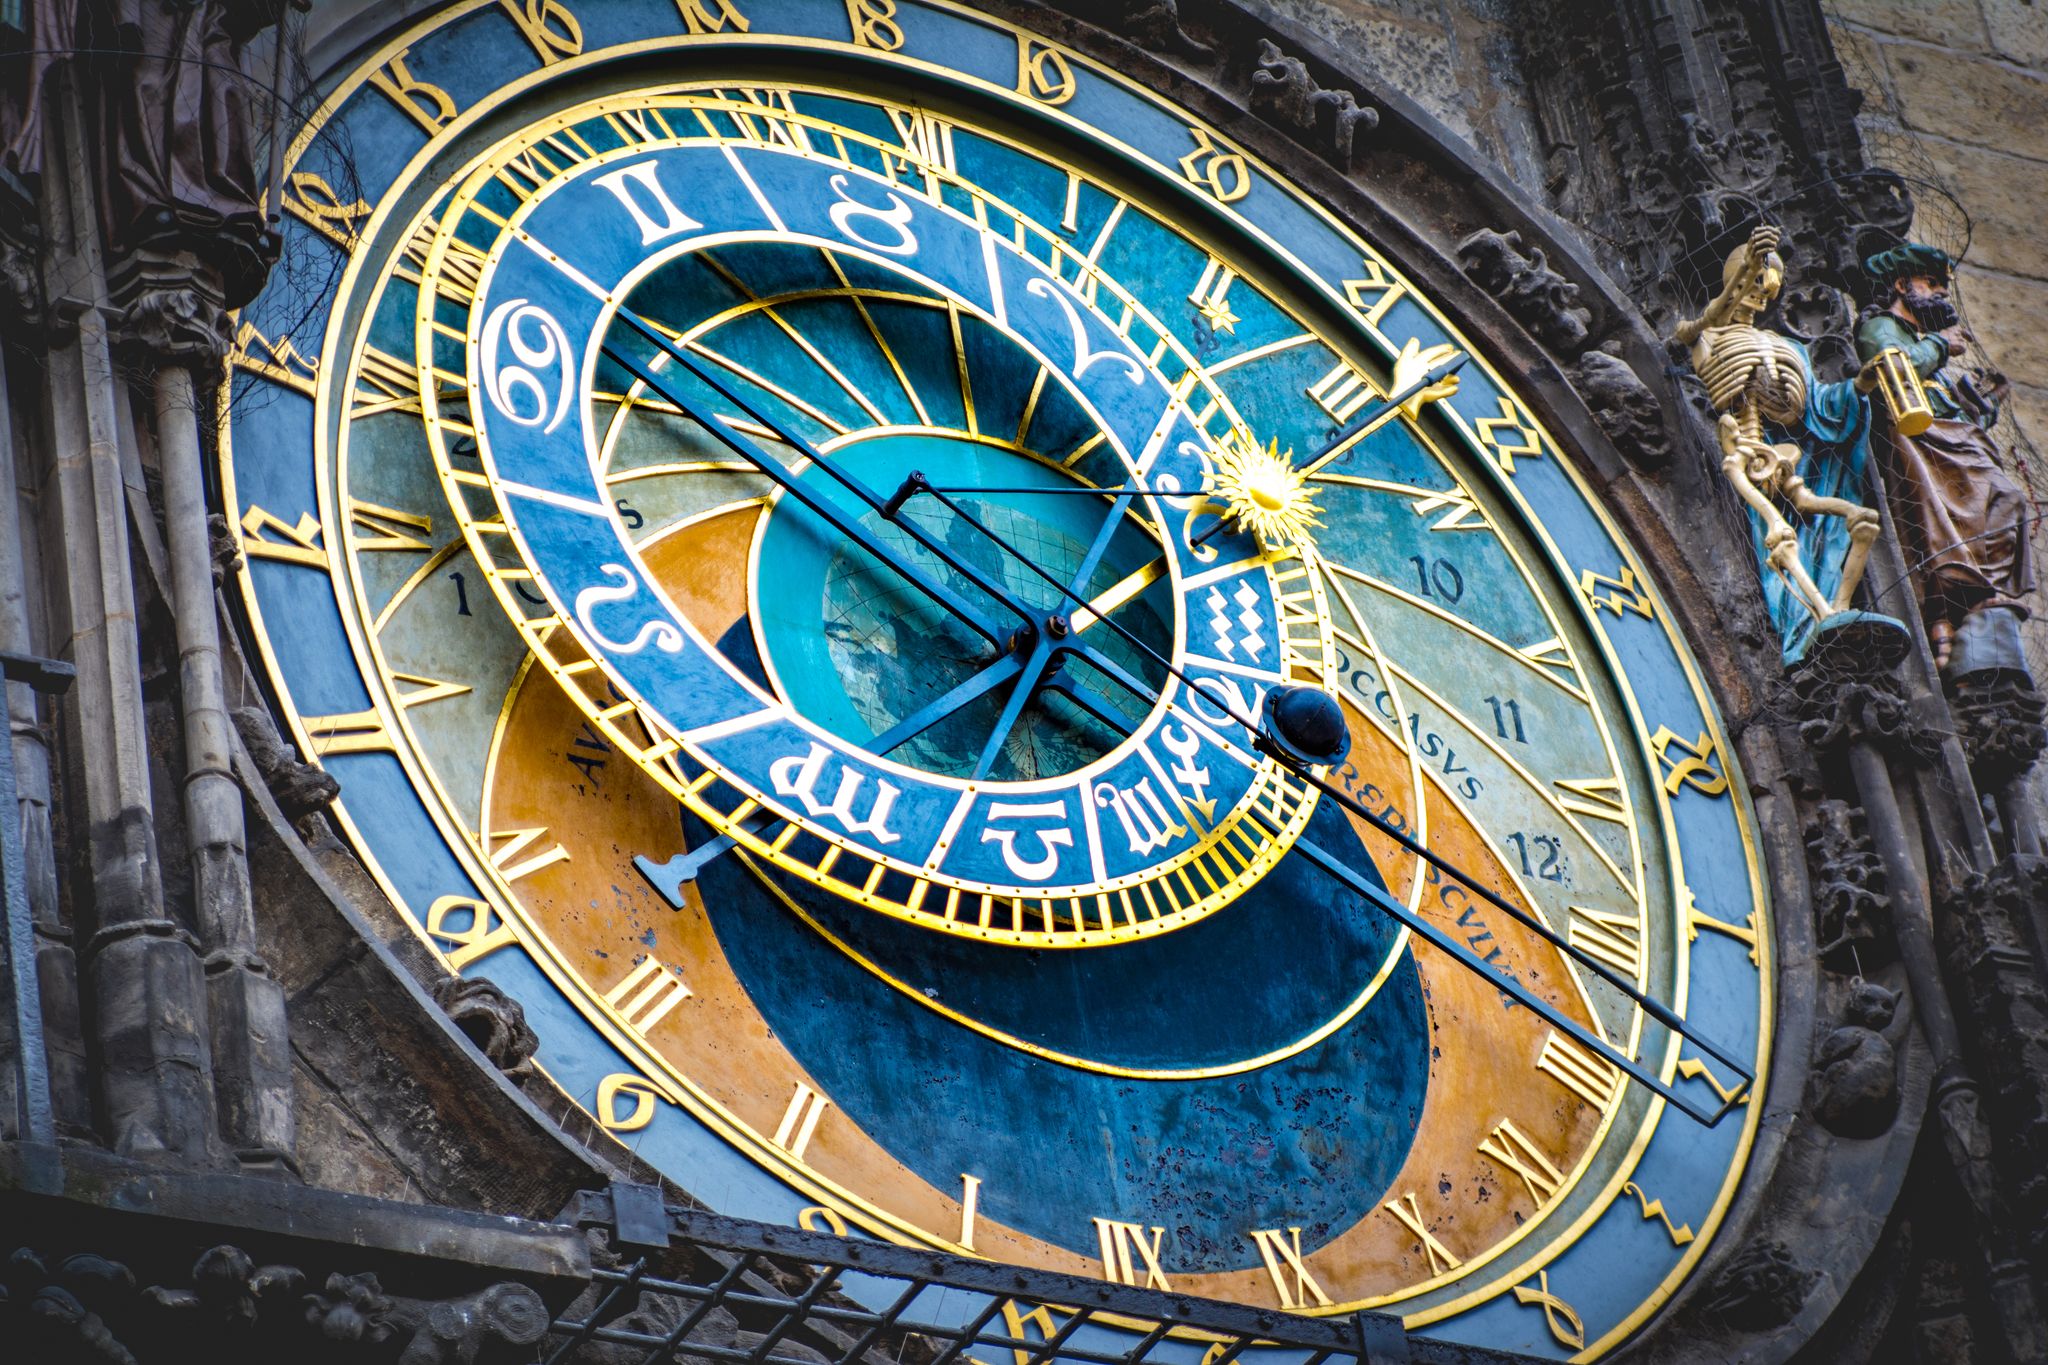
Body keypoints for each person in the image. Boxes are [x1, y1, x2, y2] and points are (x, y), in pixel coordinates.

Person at [1856, 243, 2035, 671]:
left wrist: (1979, 403)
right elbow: (1889, 367)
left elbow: (1942, 400)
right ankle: (1951, 600)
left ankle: (1971, 594)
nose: (1939, 292)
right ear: (1902, 285)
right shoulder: (1881, 326)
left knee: (2007, 501)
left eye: (1942, 285)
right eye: (1930, 282)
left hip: (1950, 437)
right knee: (1977, 505)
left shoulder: (1922, 344)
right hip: (1922, 440)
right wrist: (1939, 344)